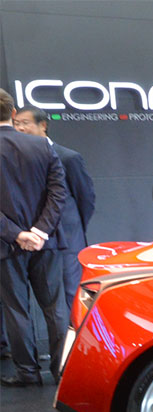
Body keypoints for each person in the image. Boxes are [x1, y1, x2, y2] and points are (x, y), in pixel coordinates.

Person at [0, 89, 68, 387]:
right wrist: (40, 231)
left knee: (16, 309)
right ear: (13, 113)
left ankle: (28, 373)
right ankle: (62, 370)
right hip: (46, 242)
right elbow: (59, 193)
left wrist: (17, 234)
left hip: (6, 244)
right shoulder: (42, 145)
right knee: (55, 308)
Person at [13, 108, 96, 313]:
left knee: (72, 294)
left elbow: (85, 198)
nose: (20, 128)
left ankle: (79, 332)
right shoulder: (14, 159)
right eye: (16, 124)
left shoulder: (68, 157)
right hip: (30, 241)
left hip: (67, 239)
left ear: (43, 125)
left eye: (25, 123)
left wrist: (74, 228)